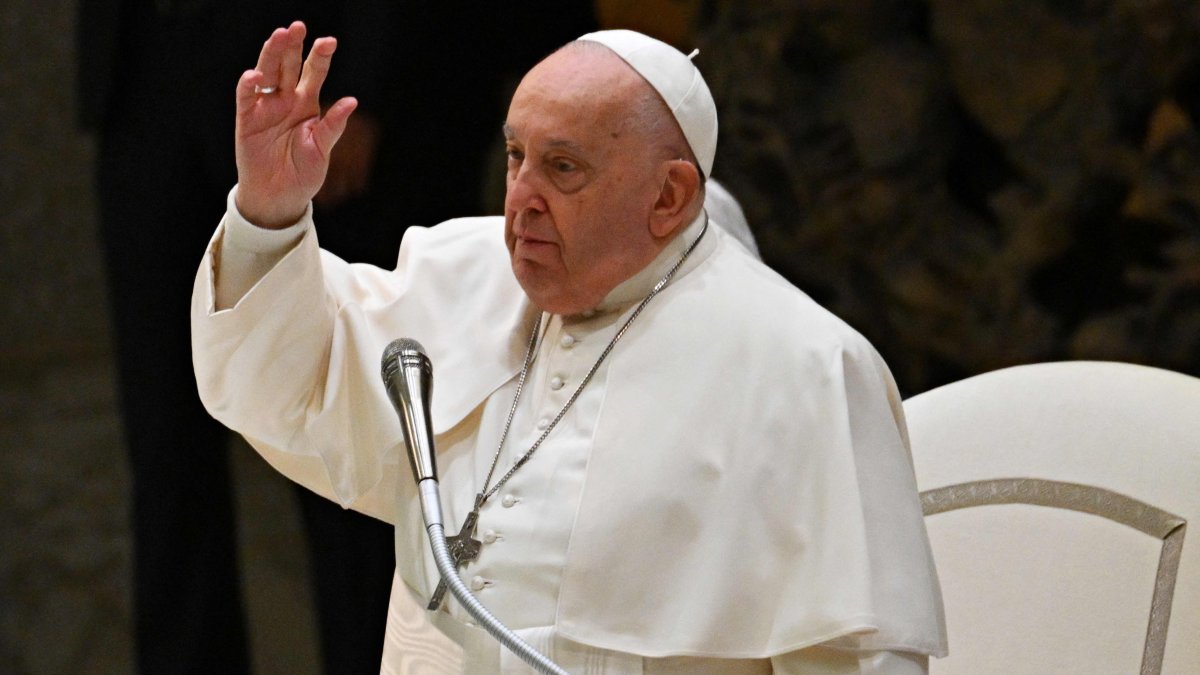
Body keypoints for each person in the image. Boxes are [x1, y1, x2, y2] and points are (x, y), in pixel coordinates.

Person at [191, 21, 947, 673]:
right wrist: (271, 210)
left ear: (670, 196)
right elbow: (282, 378)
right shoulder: (461, 276)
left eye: (563, 168)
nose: (521, 194)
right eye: (517, 155)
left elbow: (859, 653)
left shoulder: (807, 368)